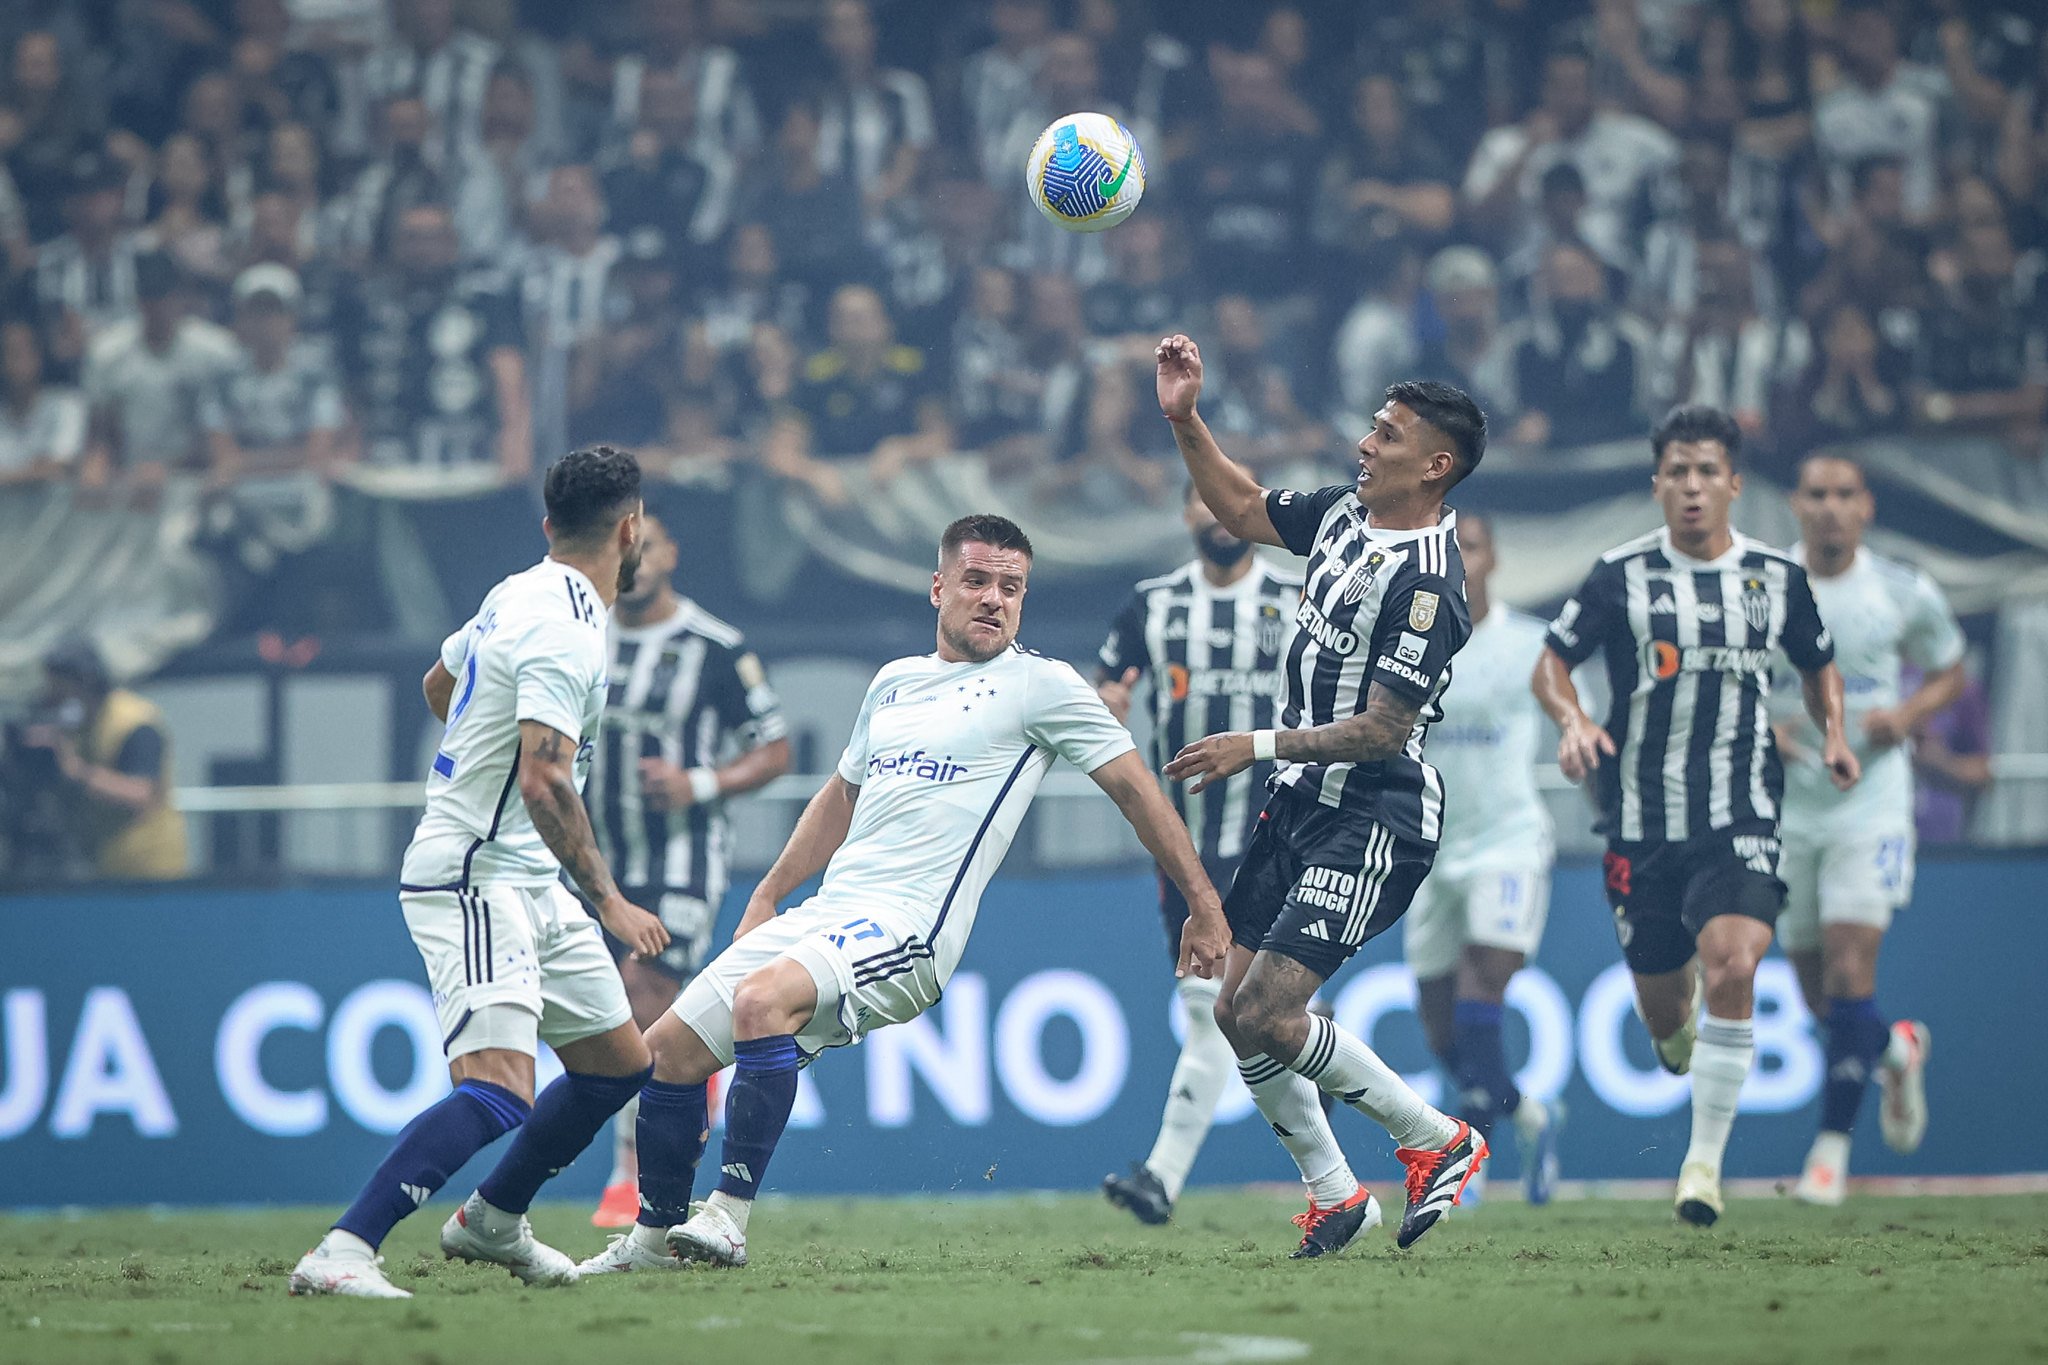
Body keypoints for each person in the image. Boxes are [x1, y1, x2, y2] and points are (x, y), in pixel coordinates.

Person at [578, 514, 1229, 1275]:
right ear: (938, 586)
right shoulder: (893, 681)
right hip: (830, 912)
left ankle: (726, 1216)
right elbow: (839, 796)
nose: (994, 599)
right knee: (668, 1053)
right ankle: (655, 1240)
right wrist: (771, 891)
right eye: (978, 581)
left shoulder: (1042, 686)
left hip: (911, 928)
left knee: (761, 1003)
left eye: (1011, 587)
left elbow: (1137, 791)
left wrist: (1203, 904)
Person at [289, 447, 669, 1299]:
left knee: (617, 1063)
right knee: (501, 1089)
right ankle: (346, 1248)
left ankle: (493, 1220)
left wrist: (478, 753)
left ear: (548, 527)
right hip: (476, 875)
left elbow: (440, 683)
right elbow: (543, 777)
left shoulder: (517, 588)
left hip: (526, 875)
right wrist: (607, 898)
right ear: (630, 528)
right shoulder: (567, 628)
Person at [1155, 333, 1490, 1258]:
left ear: (1435, 465)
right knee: (1233, 1013)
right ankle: (1338, 1196)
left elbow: (1384, 728)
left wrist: (1250, 745)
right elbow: (1239, 506)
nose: (1364, 442)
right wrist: (1186, 419)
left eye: (1385, 433)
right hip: (1300, 800)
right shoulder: (1345, 515)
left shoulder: (1428, 585)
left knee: (1265, 1013)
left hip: (1375, 811)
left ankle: (1441, 1140)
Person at [1531, 405, 1859, 1227]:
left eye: (1707, 471)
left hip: (1740, 810)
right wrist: (1574, 720)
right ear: (1657, 484)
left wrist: (1837, 735)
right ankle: (1681, 1052)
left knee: (1736, 967)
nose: (1692, 487)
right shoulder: (1618, 575)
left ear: (1735, 484)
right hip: (1640, 823)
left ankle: (1702, 1167)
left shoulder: (1776, 580)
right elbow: (1551, 664)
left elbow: (1820, 665)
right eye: (1677, 471)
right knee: (1670, 1024)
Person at [1095, 483, 1303, 1224]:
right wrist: (1108, 703)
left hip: (1275, 840)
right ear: (1183, 512)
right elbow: (1106, 689)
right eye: (1202, 502)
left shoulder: (1297, 599)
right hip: (1182, 851)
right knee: (1242, 1015)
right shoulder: (1151, 604)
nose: (1217, 515)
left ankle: (1161, 1175)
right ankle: (1338, 1174)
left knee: (1229, 1010)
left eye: (1231, 500)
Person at [586, 512, 792, 1229]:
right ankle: (648, 1164)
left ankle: (629, 1177)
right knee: (609, 1014)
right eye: (624, 549)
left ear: (671, 554)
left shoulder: (714, 647)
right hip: (595, 863)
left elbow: (774, 748)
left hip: (681, 859)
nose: (634, 561)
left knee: (644, 996)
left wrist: (697, 784)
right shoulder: (582, 634)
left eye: (647, 547)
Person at [1778, 454, 1955, 1204]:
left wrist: (1906, 717)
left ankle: (1829, 1154)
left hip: (1872, 802)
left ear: (1866, 507)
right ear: (1796, 505)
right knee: (1823, 999)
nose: (1829, 508)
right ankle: (1895, 1049)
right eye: (1816, 494)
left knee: (1853, 969)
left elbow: (1949, 667)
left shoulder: (1902, 589)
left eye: (1843, 494)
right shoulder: (1767, 581)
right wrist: (1769, 729)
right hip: (1792, 807)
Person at [1400, 511, 1563, 1206]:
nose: (1460, 560)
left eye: (1470, 547)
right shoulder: (1408, 647)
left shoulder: (1530, 643)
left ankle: (1471, 1159)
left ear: (1493, 557)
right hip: (1431, 847)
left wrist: (1582, 734)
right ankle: (1529, 1113)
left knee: (1479, 995)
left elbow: (1574, 711)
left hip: (1509, 841)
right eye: (1449, 550)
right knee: (1441, 1024)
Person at [17, 637, 187, 881]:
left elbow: (141, 794)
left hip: (149, 868)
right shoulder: (83, 726)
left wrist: (75, 770)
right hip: (106, 864)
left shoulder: (135, 722)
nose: (51, 698)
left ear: (82, 683)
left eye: (58, 689)